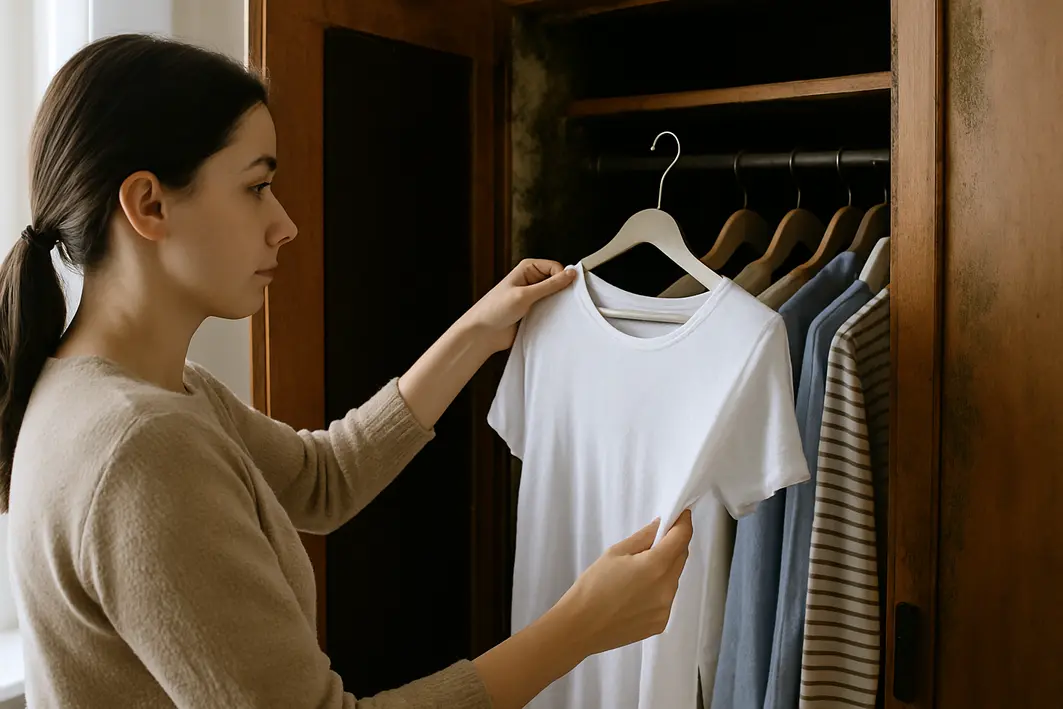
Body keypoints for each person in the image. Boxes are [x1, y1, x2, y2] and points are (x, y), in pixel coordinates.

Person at [0, 33, 694, 709]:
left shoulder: (112, 390)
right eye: (257, 186)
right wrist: (578, 625)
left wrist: (474, 333)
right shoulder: (141, 446)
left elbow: (320, 479)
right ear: (148, 204)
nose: (284, 223)